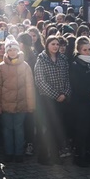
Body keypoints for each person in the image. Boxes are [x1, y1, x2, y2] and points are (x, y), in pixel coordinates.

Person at [0, 37, 35, 163]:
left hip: (21, 103)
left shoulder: (25, 66)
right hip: (5, 104)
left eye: (14, 50)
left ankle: (19, 153)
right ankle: (9, 152)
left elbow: (29, 86)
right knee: (7, 129)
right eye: (10, 50)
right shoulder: (0, 67)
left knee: (19, 128)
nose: (12, 52)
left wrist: (31, 105)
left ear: (18, 50)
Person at [34, 35, 72, 164]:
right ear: (47, 45)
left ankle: (57, 154)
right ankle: (44, 156)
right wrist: (56, 95)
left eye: (57, 44)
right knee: (48, 128)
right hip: (48, 100)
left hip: (63, 99)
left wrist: (65, 94)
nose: (55, 46)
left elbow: (68, 79)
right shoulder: (41, 59)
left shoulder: (63, 59)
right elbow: (40, 81)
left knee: (59, 127)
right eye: (53, 44)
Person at [68, 37, 90, 167]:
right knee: (82, 129)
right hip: (81, 102)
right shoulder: (75, 64)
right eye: (85, 50)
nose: (88, 52)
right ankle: (79, 155)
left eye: (89, 49)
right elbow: (77, 84)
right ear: (79, 50)